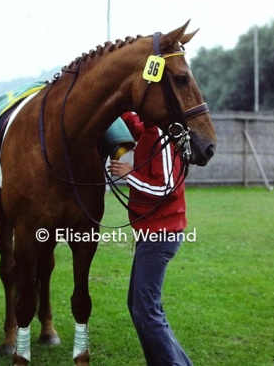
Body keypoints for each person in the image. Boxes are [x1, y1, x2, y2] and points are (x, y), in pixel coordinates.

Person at [108, 111, 192, 365]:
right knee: (141, 307)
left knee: (145, 309)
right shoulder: (147, 127)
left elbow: (166, 188)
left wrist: (128, 174)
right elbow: (131, 120)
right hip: (152, 233)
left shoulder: (163, 136)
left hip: (160, 235)